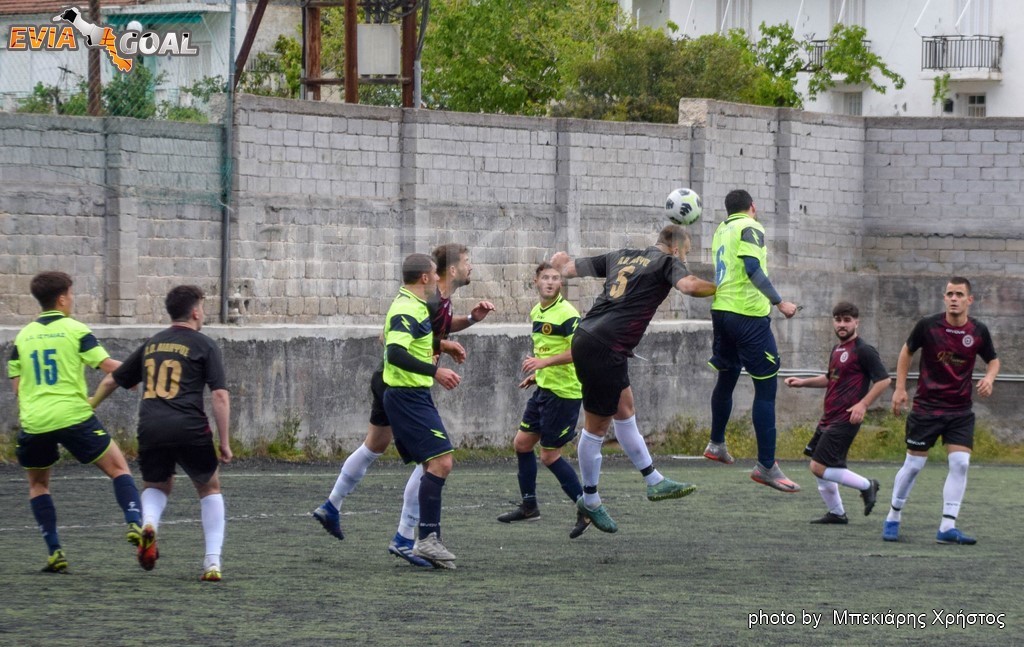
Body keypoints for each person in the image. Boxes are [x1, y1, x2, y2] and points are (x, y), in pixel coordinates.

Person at [311, 244, 494, 568]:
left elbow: (426, 332)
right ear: (444, 272)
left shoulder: (433, 300)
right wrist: (438, 360)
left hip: (399, 381)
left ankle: (334, 505)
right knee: (432, 460)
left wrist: (465, 323)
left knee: (376, 446)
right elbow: (392, 342)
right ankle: (410, 536)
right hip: (400, 384)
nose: (471, 267)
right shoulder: (427, 300)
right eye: (467, 262)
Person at [550, 224, 716, 533]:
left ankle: (654, 480)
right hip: (605, 346)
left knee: (625, 409)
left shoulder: (621, 255)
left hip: (591, 337)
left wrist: (560, 263)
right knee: (596, 427)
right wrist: (723, 288)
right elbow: (690, 286)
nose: (685, 257)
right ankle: (590, 499)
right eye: (687, 252)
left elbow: (570, 269)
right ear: (676, 248)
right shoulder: (666, 262)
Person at [91, 285, 232, 581]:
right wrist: (225, 442)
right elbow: (219, 395)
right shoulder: (205, 345)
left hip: (151, 426)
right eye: (202, 307)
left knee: (156, 486)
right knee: (209, 488)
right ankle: (212, 563)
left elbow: (112, 380)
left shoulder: (152, 343)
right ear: (195, 312)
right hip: (189, 426)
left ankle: (149, 524)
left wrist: (91, 405)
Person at [7, 271, 142, 573]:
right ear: (61, 298)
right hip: (73, 416)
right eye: (71, 294)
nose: (73, 299)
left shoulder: (22, 337)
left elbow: (17, 388)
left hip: (35, 421)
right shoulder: (76, 330)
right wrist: (136, 372)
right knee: (119, 469)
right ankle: (134, 522)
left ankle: (55, 552)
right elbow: (107, 365)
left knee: (38, 485)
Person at [884, 277, 999, 545]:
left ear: (969, 300)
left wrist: (989, 378)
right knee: (914, 465)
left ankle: (947, 527)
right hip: (927, 407)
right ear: (944, 298)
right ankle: (893, 516)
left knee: (961, 463)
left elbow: (993, 360)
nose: (954, 299)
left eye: (959, 294)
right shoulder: (928, 325)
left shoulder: (978, 331)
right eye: (950, 294)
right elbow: (906, 352)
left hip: (960, 410)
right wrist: (900, 388)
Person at [703, 189, 801, 493]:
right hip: (747, 316)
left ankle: (716, 443)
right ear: (752, 207)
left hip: (722, 312)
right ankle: (767, 466)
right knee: (766, 390)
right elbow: (752, 268)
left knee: (728, 375)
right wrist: (779, 302)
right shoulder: (750, 226)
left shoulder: (722, 230)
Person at [496, 262, 589, 539]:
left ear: (561, 283)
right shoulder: (537, 311)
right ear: (536, 281)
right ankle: (529, 507)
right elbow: (547, 350)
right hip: (545, 389)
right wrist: (537, 375)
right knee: (522, 444)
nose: (550, 282)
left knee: (549, 456)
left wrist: (542, 363)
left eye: (555, 278)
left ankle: (587, 508)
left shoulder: (567, 313)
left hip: (564, 393)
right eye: (545, 277)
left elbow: (578, 351)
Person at [381, 253, 462, 568]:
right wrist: (435, 371)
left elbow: (413, 343)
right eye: (434, 274)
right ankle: (427, 539)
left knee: (433, 463)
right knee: (441, 462)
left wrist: (442, 346)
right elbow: (395, 353)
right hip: (406, 396)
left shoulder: (415, 306)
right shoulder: (406, 308)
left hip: (415, 394)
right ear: (425, 278)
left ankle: (414, 539)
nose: (438, 279)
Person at [785, 302, 891, 524]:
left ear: (856, 322)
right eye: (838, 320)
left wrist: (863, 405)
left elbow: (884, 380)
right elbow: (829, 378)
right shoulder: (837, 349)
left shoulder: (863, 350)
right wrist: (802, 382)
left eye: (847, 320)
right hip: (829, 416)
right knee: (822, 464)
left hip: (846, 417)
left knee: (818, 466)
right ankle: (836, 513)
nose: (842, 324)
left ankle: (867, 485)